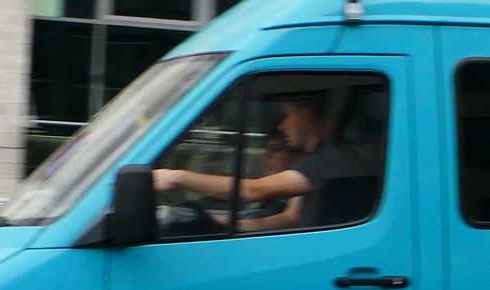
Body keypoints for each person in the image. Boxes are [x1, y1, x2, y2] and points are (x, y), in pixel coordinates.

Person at [154, 91, 371, 233]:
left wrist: (178, 177)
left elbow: (253, 190)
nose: (282, 126)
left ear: (305, 116)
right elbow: (291, 218)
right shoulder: (321, 158)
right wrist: (230, 225)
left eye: (286, 115)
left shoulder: (326, 161)